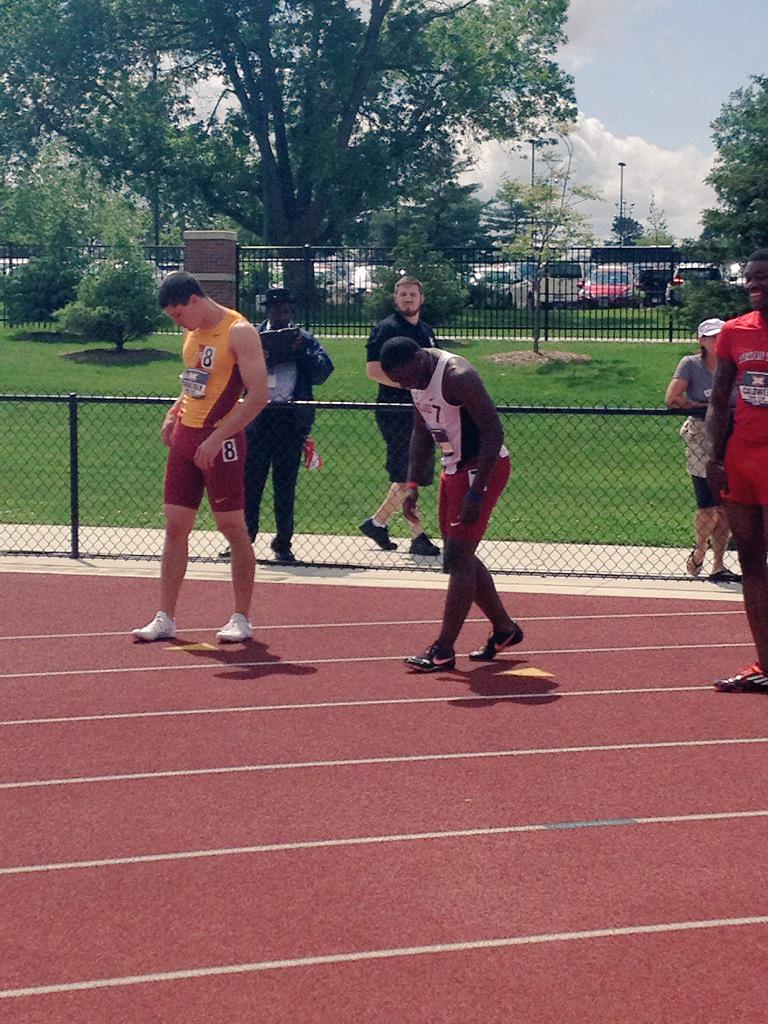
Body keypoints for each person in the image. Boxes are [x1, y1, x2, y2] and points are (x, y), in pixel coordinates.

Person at [133, 271, 268, 643]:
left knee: (232, 527)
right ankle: (165, 617)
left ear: (194, 300)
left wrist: (217, 437)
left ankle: (241, 616)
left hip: (220, 442)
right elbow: (194, 380)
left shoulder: (239, 331)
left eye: (178, 315)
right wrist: (173, 411)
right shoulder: (191, 333)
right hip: (186, 436)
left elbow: (258, 396)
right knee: (175, 525)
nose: (177, 322)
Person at [378, 336, 523, 672]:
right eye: (400, 383)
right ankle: (505, 629)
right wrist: (412, 484)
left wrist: (477, 491)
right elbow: (420, 431)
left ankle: (443, 649)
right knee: (461, 556)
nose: (407, 385)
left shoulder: (458, 375)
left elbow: (493, 433)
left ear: (419, 358)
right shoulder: (413, 378)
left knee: (457, 559)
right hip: (453, 468)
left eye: (408, 378)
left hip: (480, 468)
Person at [220, 288, 334, 563]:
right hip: (257, 418)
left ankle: (283, 543)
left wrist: (301, 354)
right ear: (267, 311)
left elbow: (323, 372)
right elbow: (230, 371)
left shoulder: (305, 340)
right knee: (250, 482)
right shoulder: (251, 338)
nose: (280, 315)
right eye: (275, 309)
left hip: (290, 419)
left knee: (285, 484)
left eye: (285, 310)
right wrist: (258, 358)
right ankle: (242, 540)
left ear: (291, 312)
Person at [706, 249, 768, 691]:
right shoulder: (735, 331)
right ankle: (765, 664)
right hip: (742, 456)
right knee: (750, 559)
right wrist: (714, 456)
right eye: (748, 279)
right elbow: (718, 396)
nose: (752, 285)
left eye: (761, 278)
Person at [361, 276, 441, 557]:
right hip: (395, 411)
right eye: (403, 294)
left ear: (422, 299)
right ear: (396, 298)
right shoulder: (386, 329)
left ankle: (377, 522)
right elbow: (373, 370)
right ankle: (418, 535)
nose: (408, 299)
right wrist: (410, 385)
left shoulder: (427, 332)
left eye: (413, 295)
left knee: (412, 472)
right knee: (408, 472)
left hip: (422, 411)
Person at [665, 318, 740, 583]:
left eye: (721, 336)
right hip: (701, 436)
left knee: (727, 506)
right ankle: (700, 548)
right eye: (711, 337)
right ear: (701, 340)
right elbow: (672, 398)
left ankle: (718, 565)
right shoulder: (691, 365)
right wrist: (706, 407)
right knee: (707, 506)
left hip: (733, 436)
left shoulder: (735, 366)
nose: (717, 341)